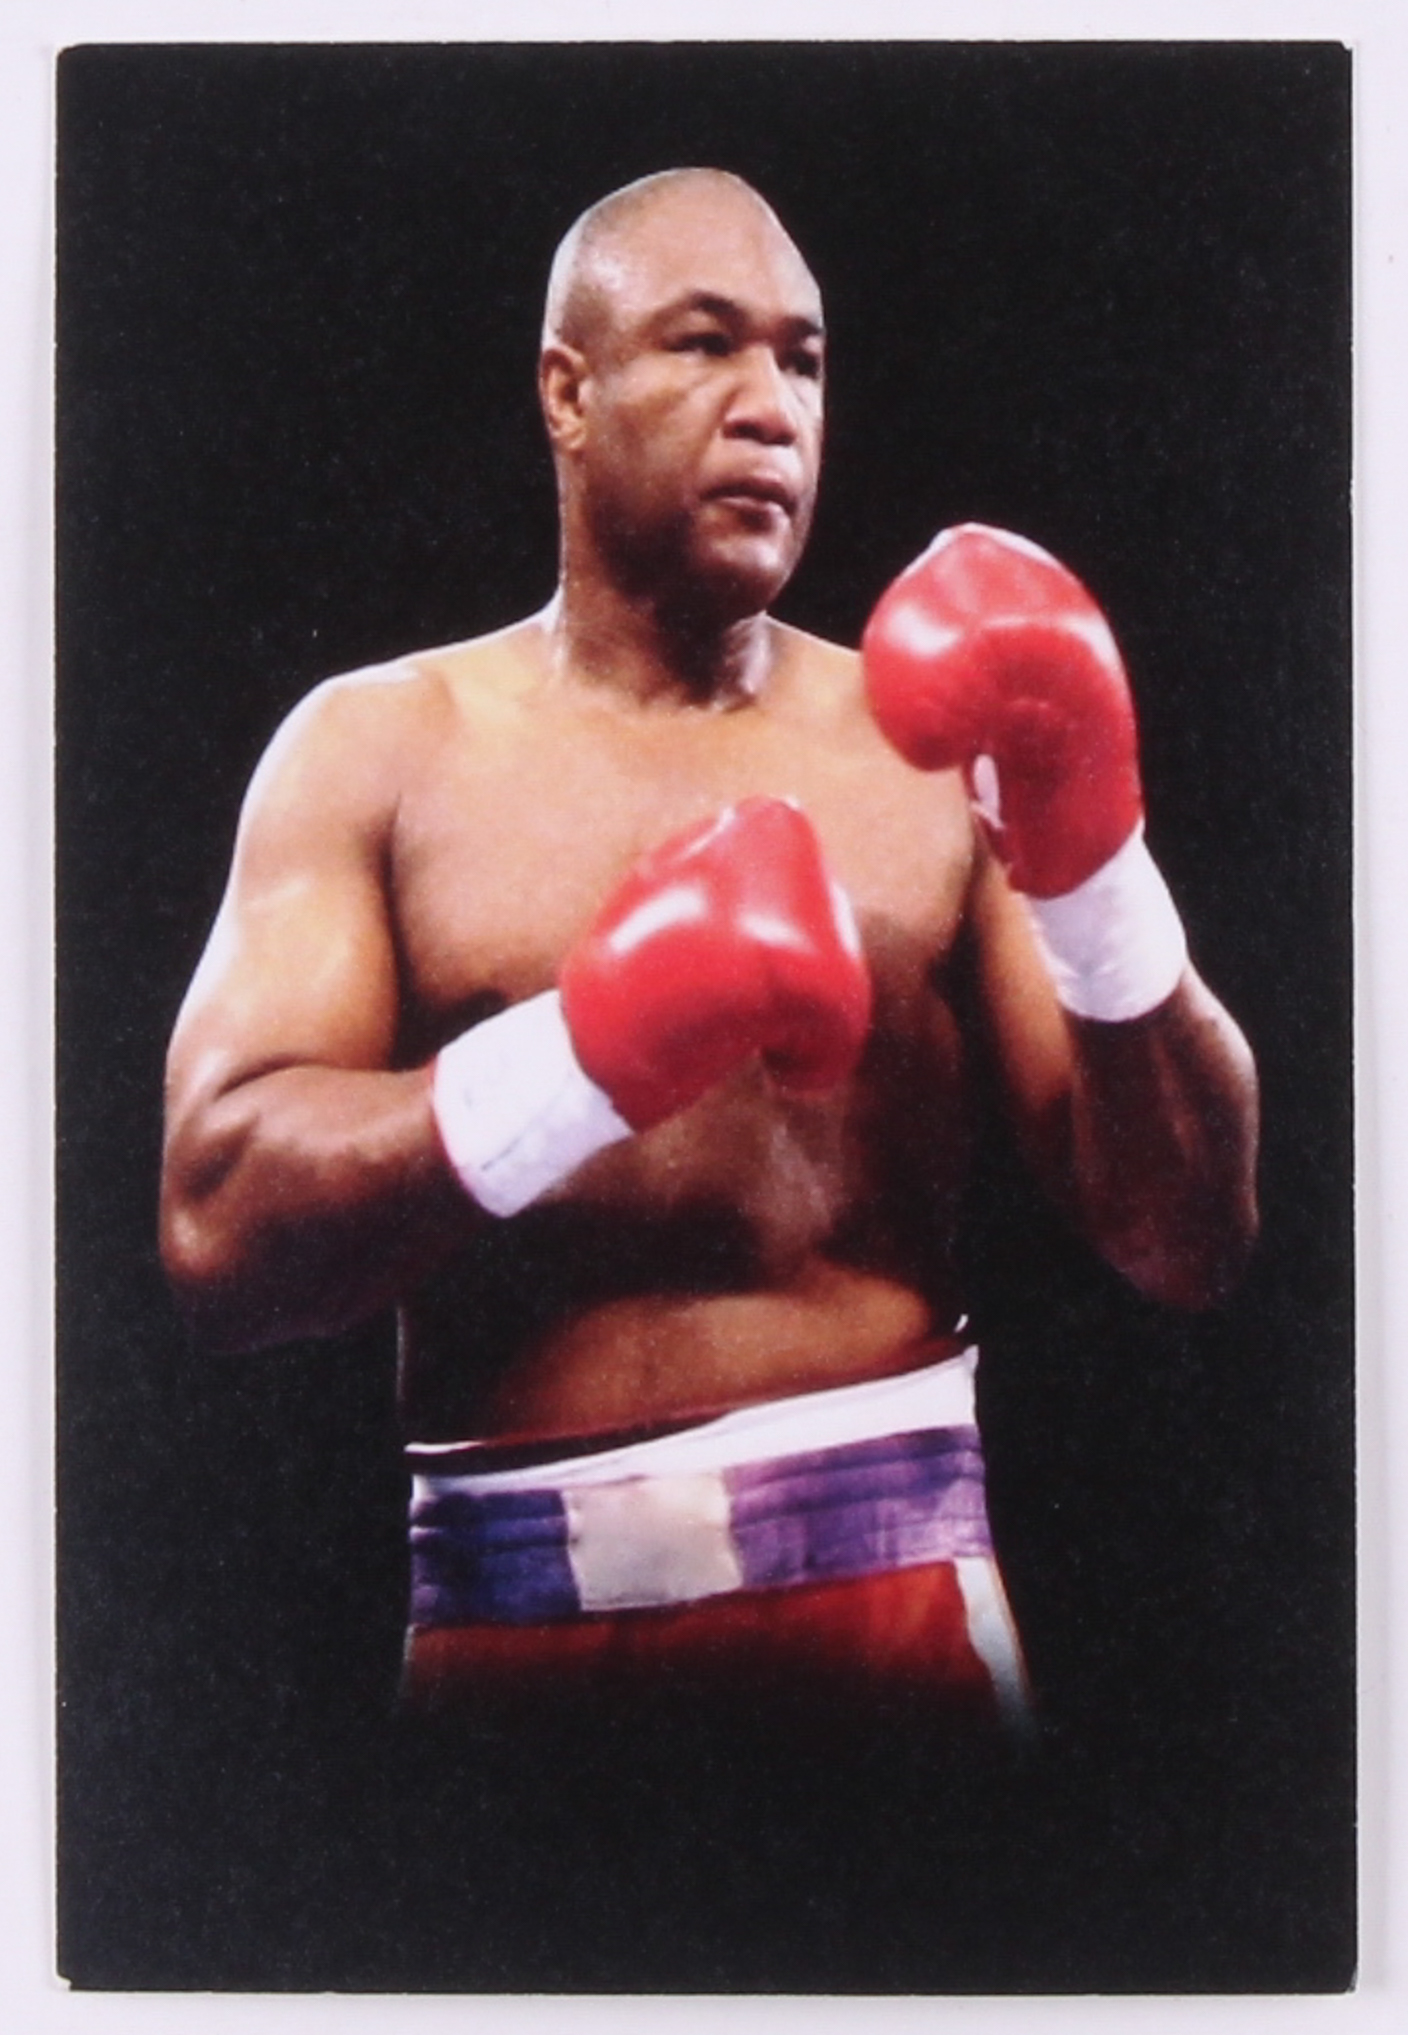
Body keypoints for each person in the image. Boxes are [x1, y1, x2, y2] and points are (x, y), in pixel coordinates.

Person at [159, 168, 1258, 1735]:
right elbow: (217, 1236)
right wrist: (589, 1053)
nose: (770, 407)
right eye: (704, 344)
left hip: (900, 1621)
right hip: (508, 1633)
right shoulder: (376, 752)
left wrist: (1095, 868)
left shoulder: (927, 754)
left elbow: (1186, 1237)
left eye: (803, 361)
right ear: (569, 392)